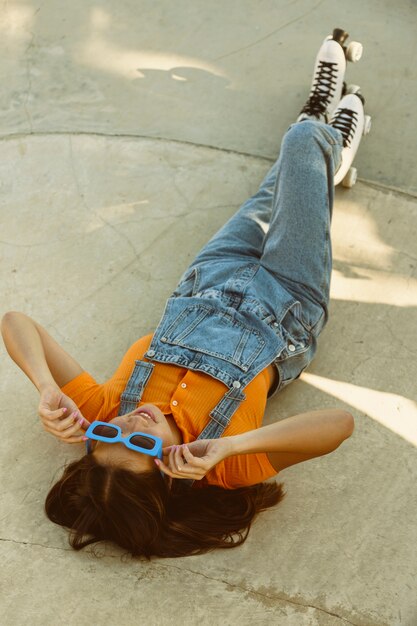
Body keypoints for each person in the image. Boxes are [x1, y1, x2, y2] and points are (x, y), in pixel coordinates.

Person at [2, 28, 370, 559]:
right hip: (288, 301)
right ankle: (325, 129)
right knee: (299, 148)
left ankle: (328, 134)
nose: (132, 426)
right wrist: (237, 444)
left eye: (113, 437)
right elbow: (339, 426)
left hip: (210, 277)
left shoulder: (105, 409)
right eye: (144, 446)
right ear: (175, 474)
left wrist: (43, 387)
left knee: (277, 186)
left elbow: (16, 321)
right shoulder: (226, 467)